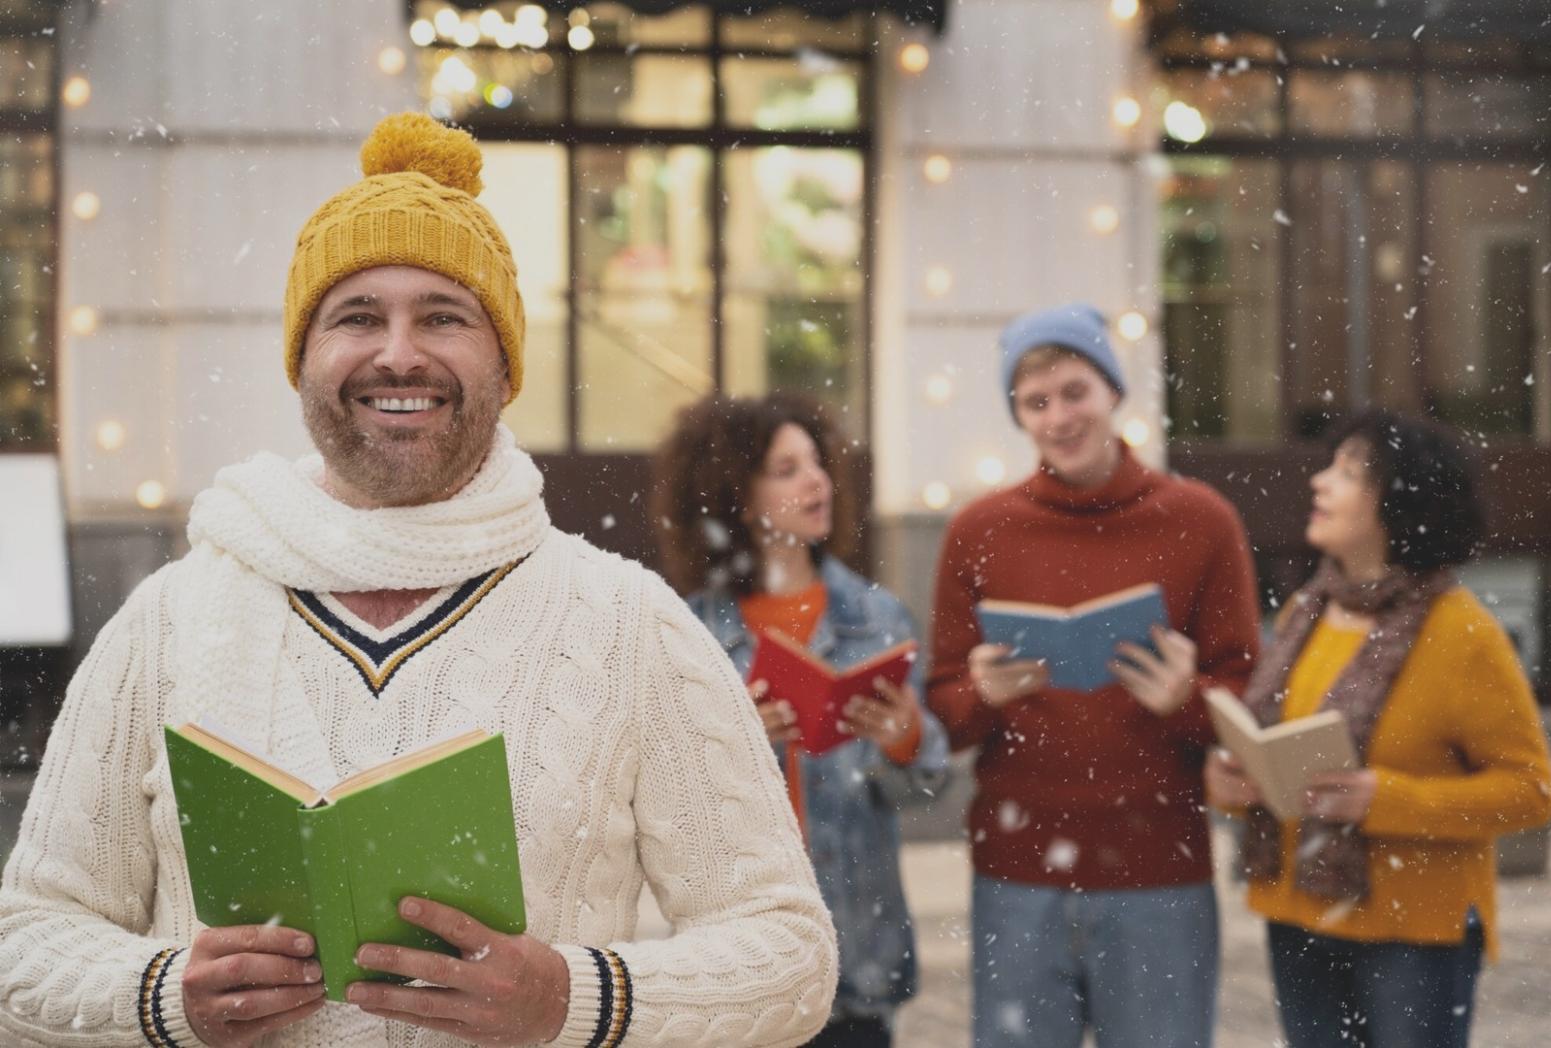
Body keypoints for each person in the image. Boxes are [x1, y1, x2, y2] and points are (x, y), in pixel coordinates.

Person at [0, 113, 836, 1048]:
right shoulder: (170, 618)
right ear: (304, 360)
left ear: (505, 363)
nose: (399, 353)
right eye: (356, 317)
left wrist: (575, 998)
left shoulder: (627, 621)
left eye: (444, 316)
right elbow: (26, 943)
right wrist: (162, 997)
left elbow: (789, 954)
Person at [925, 303, 1261, 1048]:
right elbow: (940, 712)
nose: (1057, 417)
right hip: (1017, 872)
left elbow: (1247, 696)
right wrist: (981, 693)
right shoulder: (978, 531)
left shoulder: (1200, 521)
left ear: (1113, 390)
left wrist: (1187, 700)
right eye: (1034, 402)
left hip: (1157, 871)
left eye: (1074, 392)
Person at [1204, 410, 1551, 1048]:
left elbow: (1532, 790)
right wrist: (1236, 780)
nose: (1319, 483)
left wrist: (1387, 799)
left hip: (1413, 935)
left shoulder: (1462, 632)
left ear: (1399, 503)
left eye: (1345, 473)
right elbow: (1280, 747)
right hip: (1299, 914)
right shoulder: (1306, 614)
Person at [651, 392, 948, 1048]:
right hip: (735, 964)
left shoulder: (877, 619)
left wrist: (906, 742)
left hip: (854, 961)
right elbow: (661, 811)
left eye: (816, 464)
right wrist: (733, 745)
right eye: (786, 470)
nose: (817, 481)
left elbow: (927, 791)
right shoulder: (690, 631)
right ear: (737, 495)